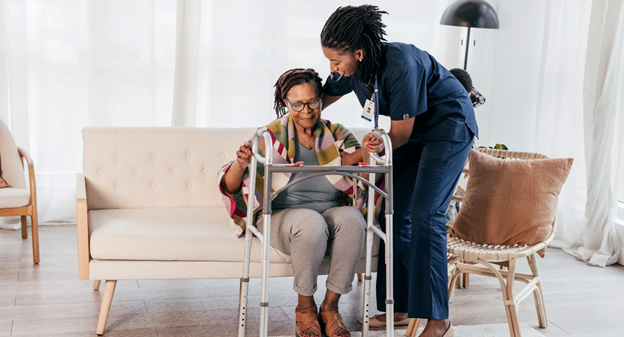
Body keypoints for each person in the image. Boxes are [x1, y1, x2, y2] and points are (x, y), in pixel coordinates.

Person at [319, 5, 478, 337]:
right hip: (413, 134)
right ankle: (401, 305)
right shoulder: (353, 69)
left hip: (448, 126)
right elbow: (316, 100)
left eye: (336, 61)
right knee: (390, 211)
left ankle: (439, 319)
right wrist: (288, 119)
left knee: (425, 213)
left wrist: (362, 152)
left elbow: (400, 134)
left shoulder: (401, 64)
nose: (332, 68)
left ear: (359, 53)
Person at [219, 68, 379, 337]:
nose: (306, 110)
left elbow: (362, 182)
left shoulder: (337, 133)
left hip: (330, 211)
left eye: (313, 102)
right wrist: (240, 164)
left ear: (321, 99)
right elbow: (231, 186)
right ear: (285, 103)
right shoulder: (268, 138)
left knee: (353, 219)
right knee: (310, 221)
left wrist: (366, 152)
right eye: (297, 104)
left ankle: (330, 308)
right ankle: (305, 309)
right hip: (282, 216)